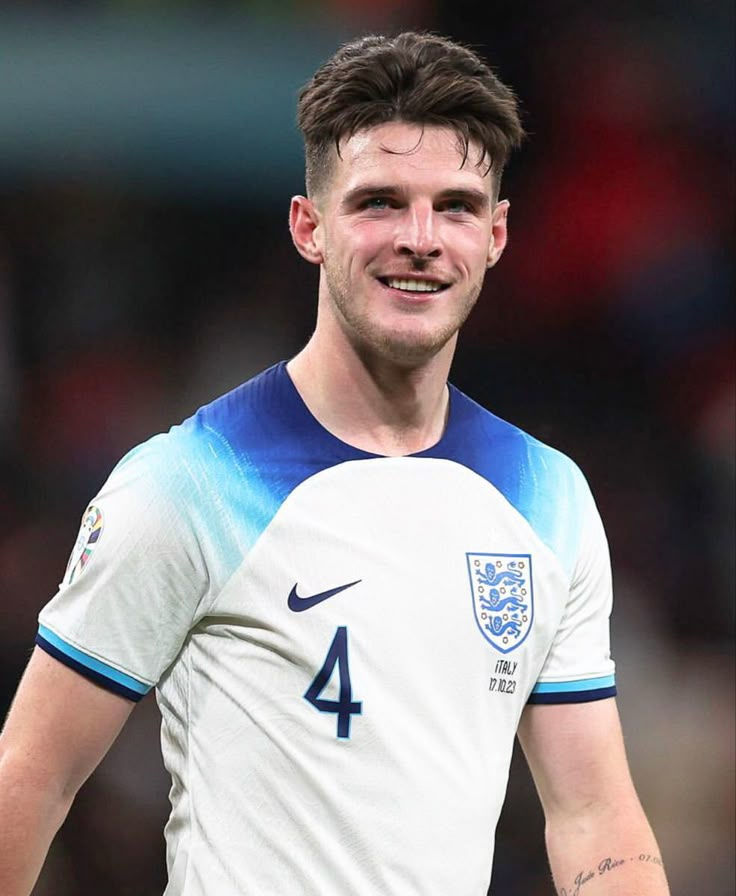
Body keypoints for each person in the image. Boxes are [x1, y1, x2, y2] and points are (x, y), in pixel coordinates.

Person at [0, 31, 670, 896]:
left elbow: (593, 816)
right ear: (309, 227)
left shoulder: (551, 498)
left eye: (457, 206)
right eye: (381, 203)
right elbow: (31, 775)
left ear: (497, 235)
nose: (421, 239)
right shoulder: (187, 484)